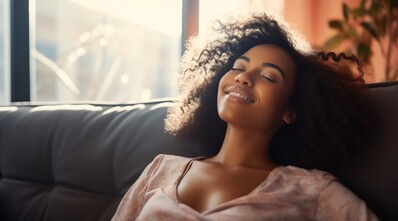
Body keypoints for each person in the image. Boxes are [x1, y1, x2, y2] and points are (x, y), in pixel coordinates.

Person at [112, 12, 378, 220]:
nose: (243, 77)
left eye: (268, 76)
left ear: (290, 111)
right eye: (239, 67)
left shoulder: (311, 190)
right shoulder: (160, 169)